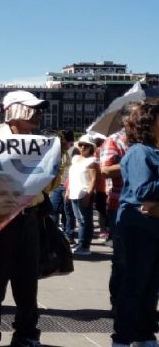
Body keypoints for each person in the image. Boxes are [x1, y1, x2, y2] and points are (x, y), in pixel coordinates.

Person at [0, 90, 55, 347]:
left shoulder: (39, 142)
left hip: (29, 217)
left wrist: (58, 162)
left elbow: (47, 186)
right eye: (32, 108)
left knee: (27, 281)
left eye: (39, 108)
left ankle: (26, 332)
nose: (38, 113)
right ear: (14, 110)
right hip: (0, 219)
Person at [110, 102, 159, 347]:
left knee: (150, 285)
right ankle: (123, 336)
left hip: (150, 224)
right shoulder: (140, 152)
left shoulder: (153, 151)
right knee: (135, 283)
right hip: (139, 226)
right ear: (149, 125)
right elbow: (144, 189)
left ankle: (144, 333)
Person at [100, 101, 139, 310]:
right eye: (138, 115)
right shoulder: (114, 141)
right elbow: (105, 171)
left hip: (149, 207)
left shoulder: (152, 141)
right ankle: (119, 304)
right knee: (122, 259)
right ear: (125, 119)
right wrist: (135, 161)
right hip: (121, 207)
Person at [66, 135, 99, 256]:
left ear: (91, 147)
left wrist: (89, 195)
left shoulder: (92, 161)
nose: (83, 147)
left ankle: (84, 246)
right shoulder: (75, 158)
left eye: (86, 145)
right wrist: (68, 190)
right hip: (74, 192)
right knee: (80, 220)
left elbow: (94, 179)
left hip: (84, 193)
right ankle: (82, 245)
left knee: (85, 221)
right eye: (81, 144)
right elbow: (72, 176)